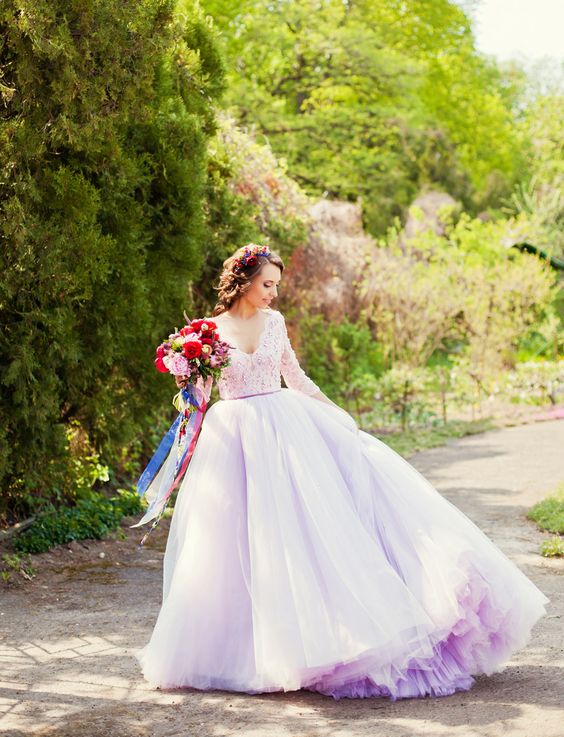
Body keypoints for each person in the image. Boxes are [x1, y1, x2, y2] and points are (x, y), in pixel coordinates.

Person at [134, 243, 549, 701]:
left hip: (289, 430)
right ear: (243, 281)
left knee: (309, 532)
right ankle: (246, 650)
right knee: (238, 542)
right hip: (233, 438)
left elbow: (297, 378)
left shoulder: (275, 324)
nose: (273, 293)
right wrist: (183, 405)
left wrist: (340, 418)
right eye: (267, 284)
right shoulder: (207, 334)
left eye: (276, 285)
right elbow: (199, 398)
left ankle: (326, 639)